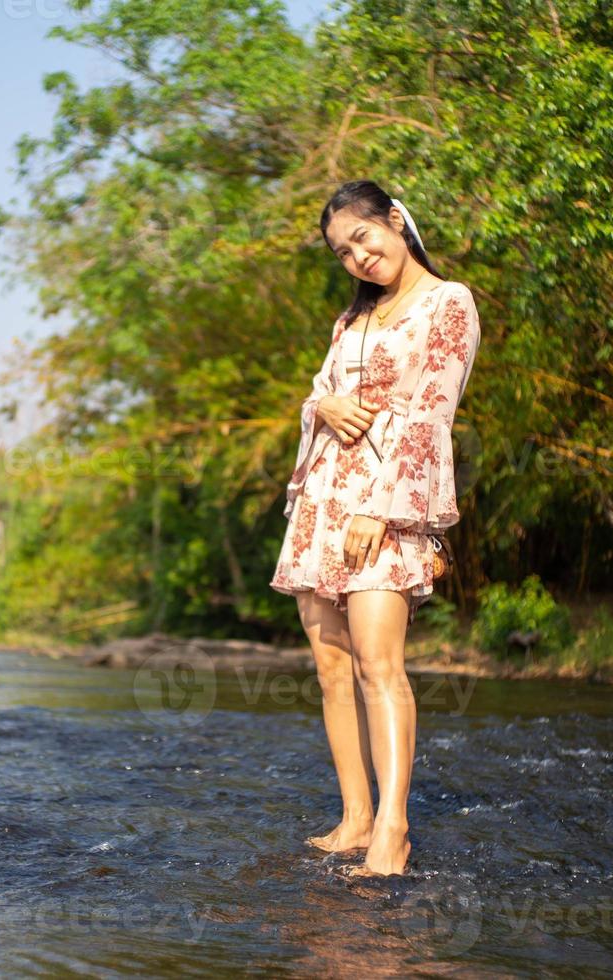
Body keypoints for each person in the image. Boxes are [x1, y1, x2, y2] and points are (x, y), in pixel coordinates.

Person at [269, 180, 481, 878]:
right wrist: (320, 405)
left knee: (377, 663)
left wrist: (380, 509)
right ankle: (354, 817)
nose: (357, 257)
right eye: (341, 252)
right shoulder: (346, 322)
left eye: (363, 238)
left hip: (383, 502)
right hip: (322, 498)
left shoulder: (447, 302)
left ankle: (392, 828)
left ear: (394, 221)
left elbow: (431, 414)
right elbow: (318, 397)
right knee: (332, 668)